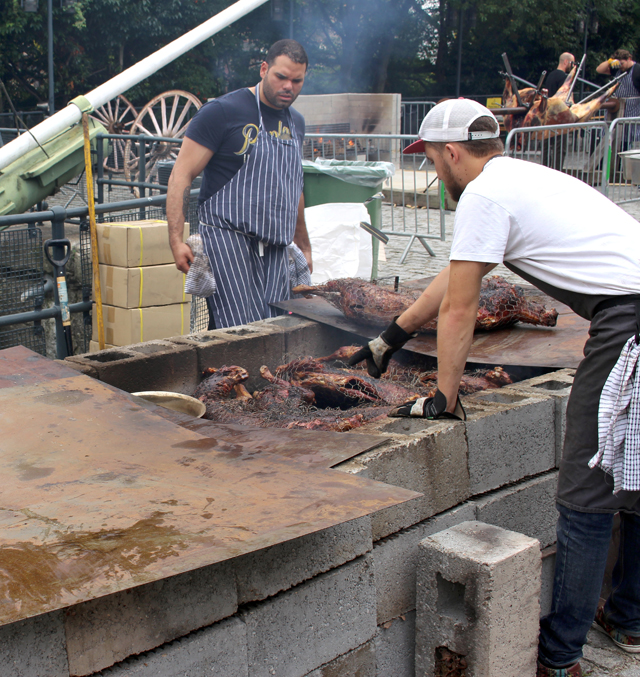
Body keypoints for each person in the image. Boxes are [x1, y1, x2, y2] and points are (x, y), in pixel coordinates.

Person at [348, 98, 640, 676]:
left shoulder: (482, 193)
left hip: (627, 322)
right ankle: (628, 617)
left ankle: (559, 656)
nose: (434, 173)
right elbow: (455, 274)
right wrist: (389, 337)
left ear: (452, 151)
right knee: (632, 469)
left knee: (585, 490)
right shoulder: (517, 177)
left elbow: (460, 309)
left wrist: (443, 399)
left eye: (432, 160)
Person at [167, 39, 313, 329]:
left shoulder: (296, 122)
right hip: (227, 240)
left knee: (276, 328)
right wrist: (175, 239)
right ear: (263, 69)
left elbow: (294, 185)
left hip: (275, 247)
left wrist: (303, 245)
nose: (288, 86)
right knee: (238, 330)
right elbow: (181, 175)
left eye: (297, 81)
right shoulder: (222, 112)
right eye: (281, 77)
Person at [596, 49, 640, 119]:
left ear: (629, 59)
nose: (620, 66)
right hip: (617, 107)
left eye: (622, 63)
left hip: (633, 110)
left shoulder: (637, 70)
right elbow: (599, 70)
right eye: (619, 64)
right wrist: (610, 61)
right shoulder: (617, 68)